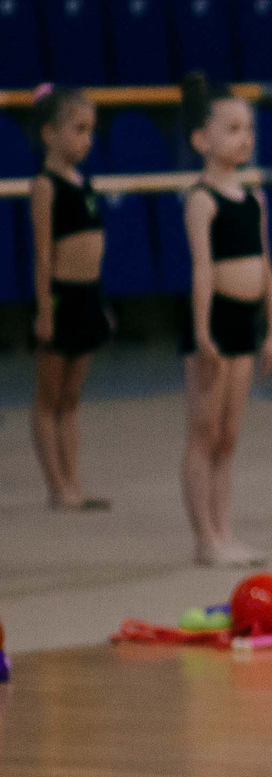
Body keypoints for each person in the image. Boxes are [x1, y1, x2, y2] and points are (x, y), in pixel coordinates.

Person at [178, 71, 272, 567]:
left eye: (249, 129)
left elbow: (266, 266)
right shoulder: (201, 199)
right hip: (215, 321)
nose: (245, 138)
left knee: (229, 435)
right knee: (204, 431)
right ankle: (205, 539)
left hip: (245, 321)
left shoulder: (254, 198)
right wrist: (202, 333)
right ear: (202, 139)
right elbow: (201, 270)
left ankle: (225, 531)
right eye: (233, 129)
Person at [26, 85, 110, 510]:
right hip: (60, 298)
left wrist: (98, 301)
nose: (86, 139)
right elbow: (43, 254)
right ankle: (57, 486)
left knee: (72, 398)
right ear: (50, 133)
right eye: (78, 129)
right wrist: (45, 309)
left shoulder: (85, 182)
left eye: (90, 130)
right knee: (49, 397)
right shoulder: (45, 186)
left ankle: (74, 482)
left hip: (87, 295)